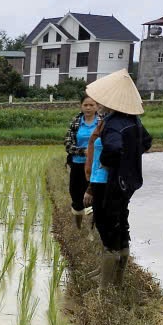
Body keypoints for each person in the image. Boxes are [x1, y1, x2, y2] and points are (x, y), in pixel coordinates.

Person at [83, 69, 152, 288]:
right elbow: (146, 142)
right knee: (121, 225)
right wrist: (129, 160)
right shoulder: (133, 121)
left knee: (108, 226)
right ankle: (117, 280)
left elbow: (112, 149)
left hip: (109, 184)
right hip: (127, 183)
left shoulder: (113, 124)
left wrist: (109, 160)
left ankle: (105, 285)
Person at [64, 96, 101, 227]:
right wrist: (82, 151)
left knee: (94, 197)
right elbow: (67, 144)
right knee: (76, 196)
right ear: (81, 106)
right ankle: (78, 226)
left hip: (96, 166)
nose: (88, 108)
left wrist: (93, 152)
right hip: (78, 164)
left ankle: (93, 228)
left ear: (97, 106)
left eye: (92, 105)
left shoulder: (102, 122)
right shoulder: (76, 122)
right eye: (85, 105)